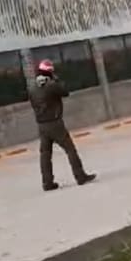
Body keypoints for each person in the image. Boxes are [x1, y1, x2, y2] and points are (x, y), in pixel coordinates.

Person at [29, 59, 97, 191]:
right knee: (70, 149)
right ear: (50, 72)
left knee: (45, 154)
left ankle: (47, 183)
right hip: (55, 122)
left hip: (41, 124)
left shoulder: (32, 88)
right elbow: (65, 92)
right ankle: (80, 176)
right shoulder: (51, 85)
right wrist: (56, 80)